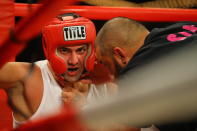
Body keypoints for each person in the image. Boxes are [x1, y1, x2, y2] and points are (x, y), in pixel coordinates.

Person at [0, 13, 113, 128]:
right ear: (48, 49)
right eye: (65, 51)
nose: (74, 61)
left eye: (81, 50)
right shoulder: (28, 78)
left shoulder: (106, 82)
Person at [93, 17, 197, 131]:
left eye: (106, 64)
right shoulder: (182, 25)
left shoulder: (135, 75)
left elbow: (124, 128)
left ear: (120, 55)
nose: (109, 76)